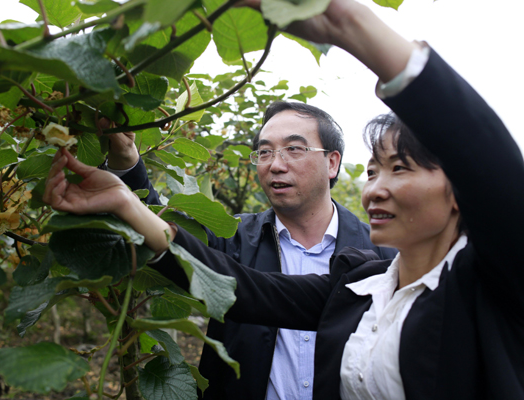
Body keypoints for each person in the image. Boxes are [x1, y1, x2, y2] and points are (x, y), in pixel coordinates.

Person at [44, 0, 524, 398]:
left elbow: (486, 158)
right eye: (374, 170)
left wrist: (348, 24)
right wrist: (126, 200)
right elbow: (236, 287)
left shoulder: (487, 281)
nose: (376, 186)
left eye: (401, 168)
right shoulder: (363, 284)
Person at [101, 101, 396, 399]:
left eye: (294, 149)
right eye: (265, 152)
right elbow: (163, 228)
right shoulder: (231, 235)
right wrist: (126, 159)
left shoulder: (382, 256)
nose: (275, 164)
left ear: (332, 163)